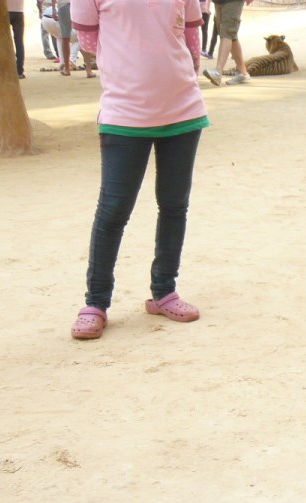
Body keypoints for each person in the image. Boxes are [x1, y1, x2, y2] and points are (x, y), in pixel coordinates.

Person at [68, 0, 209, 341]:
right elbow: (87, 41)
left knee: (174, 205)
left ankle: (164, 291)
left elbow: (192, 36)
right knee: (114, 209)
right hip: (124, 114)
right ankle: (96, 303)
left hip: (183, 109)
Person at [202, 0, 253, 86]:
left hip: (233, 2)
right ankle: (243, 73)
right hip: (218, 2)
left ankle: (218, 72)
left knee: (227, 32)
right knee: (230, 35)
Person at [7, 0, 25, 79]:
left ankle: (7, 69)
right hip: (19, 11)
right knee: (19, 42)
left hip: (5, 11)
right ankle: (19, 71)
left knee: (5, 42)